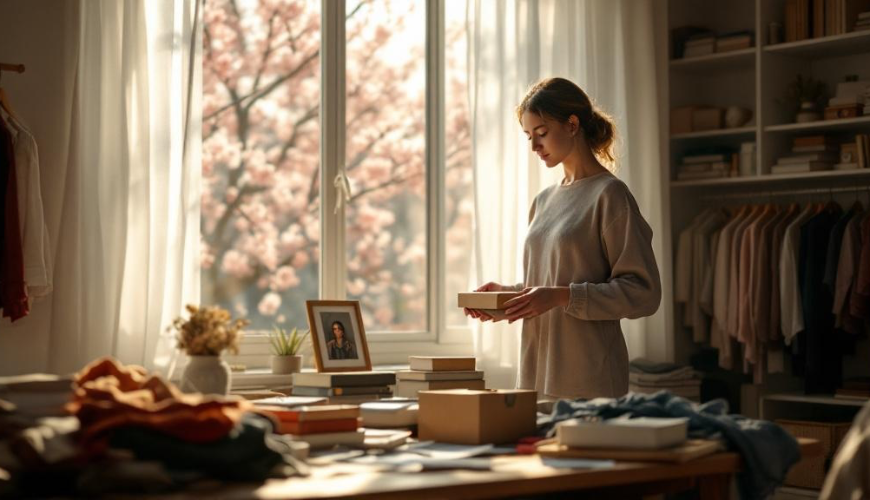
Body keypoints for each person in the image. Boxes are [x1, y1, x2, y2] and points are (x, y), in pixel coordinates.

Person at [464, 77, 661, 400]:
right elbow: (550, 284)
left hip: (589, 378)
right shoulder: (543, 201)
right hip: (536, 374)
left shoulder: (610, 196)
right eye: (528, 137)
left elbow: (644, 294)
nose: (534, 146)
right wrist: (506, 299)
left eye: (541, 133)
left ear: (572, 125)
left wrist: (560, 297)